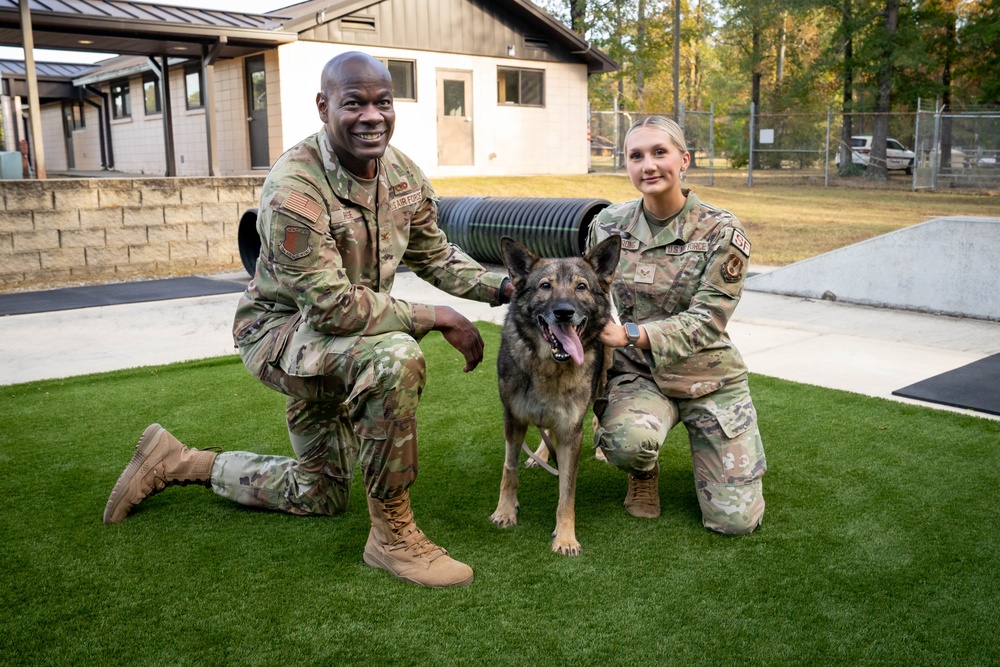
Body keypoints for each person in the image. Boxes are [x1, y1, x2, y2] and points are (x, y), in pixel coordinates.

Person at [103, 51, 514, 588]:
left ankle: (180, 461)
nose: (372, 115)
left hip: (341, 342)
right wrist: (435, 316)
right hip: (281, 337)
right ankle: (392, 538)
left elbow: (434, 255)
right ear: (324, 107)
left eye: (383, 102)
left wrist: (508, 286)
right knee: (396, 358)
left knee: (319, 494)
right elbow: (330, 307)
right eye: (354, 103)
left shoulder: (402, 173)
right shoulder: (294, 188)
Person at [590, 116, 766, 535]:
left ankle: (718, 460)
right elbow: (591, 296)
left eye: (659, 153)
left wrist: (632, 334)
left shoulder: (722, 230)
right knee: (626, 443)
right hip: (639, 376)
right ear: (628, 166)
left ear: (683, 160)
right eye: (636, 156)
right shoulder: (608, 225)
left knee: (734, 522)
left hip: (709, 379)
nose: (648, 165)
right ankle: (643, 470)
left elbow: (708, 320)